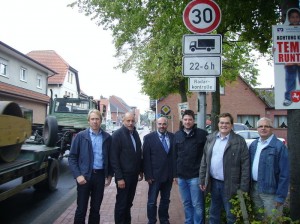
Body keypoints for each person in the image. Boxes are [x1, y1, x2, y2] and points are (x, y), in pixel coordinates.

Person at [199, 112, 249, 224]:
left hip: (231, 184)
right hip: (214, 183)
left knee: (231, 215)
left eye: (227, 123)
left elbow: (245, 165)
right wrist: (202, 179)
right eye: (222, 123)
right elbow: (204, 161)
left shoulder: (239, 141)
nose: (224, 125)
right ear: (218, 124)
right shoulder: (211, 139)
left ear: (231, 125)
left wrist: (244, 187)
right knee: (213, 214)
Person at [68, 109, 113, 224]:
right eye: (92, 119)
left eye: (97, 119)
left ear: (101, 121)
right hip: (85, 177)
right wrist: (78, 175)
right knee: (81, 209)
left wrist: (109, 175)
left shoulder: (107, 138)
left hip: (100, 177)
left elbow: (110, 158)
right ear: (88, 121)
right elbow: (72, 157)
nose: (95, 121)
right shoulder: (80, 136)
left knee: (95, 209)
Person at [249, 117, 289, 221]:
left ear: (272, 129)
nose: (263, 128)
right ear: (257, 129)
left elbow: (284, 174)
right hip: (255, 189)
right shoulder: (253, 145)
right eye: (260, 126)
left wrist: (281, 196)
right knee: (258, 218)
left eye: (266, 126)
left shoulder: (279, 147)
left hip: (271, 192)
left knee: (273, 220)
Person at [173, 109, 208, 224]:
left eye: (190, 119)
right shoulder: (177, 135)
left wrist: (203, 176)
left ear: (194, 121)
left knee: (197, 204)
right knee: (186, 203)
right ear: (182, 121)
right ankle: (188, 222)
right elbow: (174, 156)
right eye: (185, 119)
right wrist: (175, 175)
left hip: (195, 176)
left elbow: (207, 155)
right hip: (181, 177)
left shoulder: (202, 134)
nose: (187, 122)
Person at [110, 112, 143, 224]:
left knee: (129, 203)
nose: (130, 123)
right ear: (123, 121)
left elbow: (138, 153)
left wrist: (140, 170)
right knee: (122, 204)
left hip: (133, 176)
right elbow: (114, 158)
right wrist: (119, 178)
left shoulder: (135, 133)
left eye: (132, 121)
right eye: (128, 121)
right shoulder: (117, 135)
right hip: (123, 177)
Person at [143, 116, 175, 224]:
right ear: (156, 125)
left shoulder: (172, 137)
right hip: (154, 177)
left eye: (164, 124)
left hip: (168, 176)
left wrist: (174, 174)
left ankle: (164, 220)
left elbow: (174, 156)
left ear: (167, 124)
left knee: (165, 200)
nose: (162, 126)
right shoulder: (148, 138)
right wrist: (148, 175)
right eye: (160, 124)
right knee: (152, 201)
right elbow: (146, 158)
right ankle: (151, 220)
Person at [282, 8, 300, 106]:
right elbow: (280, 46)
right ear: (289, 18)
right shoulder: (283, 31)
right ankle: (288, 98)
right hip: (290, 61)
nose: (295, 19)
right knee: (290, 80)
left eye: (297, 17)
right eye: (292, 17)